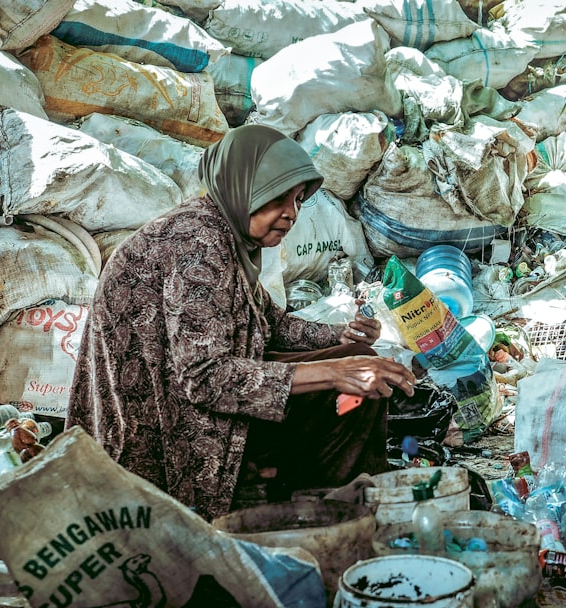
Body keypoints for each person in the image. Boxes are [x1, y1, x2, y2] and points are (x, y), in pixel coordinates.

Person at [67, 124, 416, 521]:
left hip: (193, 392)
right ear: (240, 187)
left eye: (298, 200)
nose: (291, 213)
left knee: (358, 357)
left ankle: (324, 497)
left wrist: (340, 336)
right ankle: (317, 509)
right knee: (345, 379)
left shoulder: (227, 236)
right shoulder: (197, 245)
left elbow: (268, 322)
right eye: (276, 198)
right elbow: (203, 378)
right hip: (162, 423)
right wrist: (334, 372)